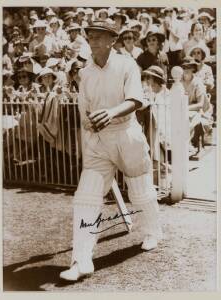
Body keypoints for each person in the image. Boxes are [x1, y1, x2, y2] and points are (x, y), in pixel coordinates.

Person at [60, 20, 162, 282]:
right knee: (85, 198)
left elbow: (136, 100)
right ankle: (82, 260)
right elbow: (85, 113)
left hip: (127, 135)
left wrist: (112, 113)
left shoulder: (127, 65)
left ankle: (153, 232)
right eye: (90, 36)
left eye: (98, 36)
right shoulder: (86, 73)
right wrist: (90, 125)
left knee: (140, 194)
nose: (92, 40)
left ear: (112, 40)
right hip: (98, 141)